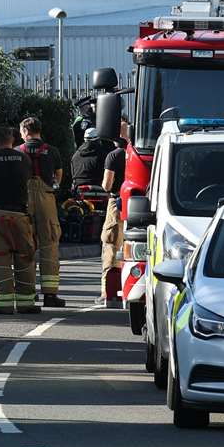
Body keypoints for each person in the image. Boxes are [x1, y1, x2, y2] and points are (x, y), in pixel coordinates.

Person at [0, 126, 38, 316]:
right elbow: (29, 184)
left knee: (0, 259)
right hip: (20, 214)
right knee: (25, 258)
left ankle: (3, 304)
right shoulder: (23, 158)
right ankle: (26, 303)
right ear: (12, 140)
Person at [18, 117, 66, 309]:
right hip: (46, 198)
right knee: (50, 245)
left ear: (24, 132)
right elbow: (59, 176)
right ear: (39, 131)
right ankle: (50, 294)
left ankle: (26, 291)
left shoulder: (17, 152)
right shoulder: (52, 151)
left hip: (23, 200)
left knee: (24, 245)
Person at [97, 119, 130, 308]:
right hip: (139, 203)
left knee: (110, 243)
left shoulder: (113, 156)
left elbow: (107, 185)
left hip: (116, 202)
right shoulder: (138, 153)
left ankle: (107, 291)